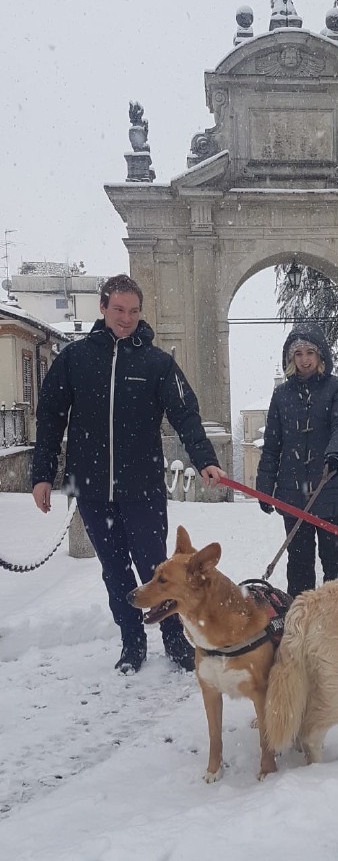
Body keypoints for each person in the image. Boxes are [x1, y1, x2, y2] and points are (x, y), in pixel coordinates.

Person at [31, 274, 226, 674]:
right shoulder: (75, 359)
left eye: (133, 311)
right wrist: (43, 474)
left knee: (159, 568)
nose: (126, 318)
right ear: (102, 308)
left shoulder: (157, 363)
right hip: (91, 488)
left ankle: (174, 641)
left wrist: (204, 457)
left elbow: (185, 414)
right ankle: (132, 642)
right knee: (115, 570)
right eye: (118, 309)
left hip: (143, 488)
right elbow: (50, 415)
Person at [256, 324, 338, 598]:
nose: (305, 359)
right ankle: (301, 626)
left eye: (310, 352)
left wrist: (336, 451)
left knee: (336, 568)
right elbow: (273, 445)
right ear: (290, 358)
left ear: (321, 354)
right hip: (293, 493)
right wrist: (264, 485)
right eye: (298, 353)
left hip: (332, 488)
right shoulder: (281, 395)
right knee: (299, 567)